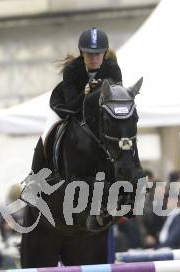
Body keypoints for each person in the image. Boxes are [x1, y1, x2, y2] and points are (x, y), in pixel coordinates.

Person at [31, 28, 123, 174]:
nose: (93, 58)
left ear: (104, 53)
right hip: (66, 107)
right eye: (89, 54)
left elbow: (117, 100)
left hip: (98, 111)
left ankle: (129, 168)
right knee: (46, 134)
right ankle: (35, 176)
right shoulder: (72, 69)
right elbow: (72, 106)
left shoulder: (112, 68)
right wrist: (85, 93)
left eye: (97, 54)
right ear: (81, 53)